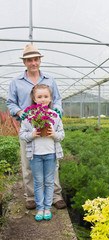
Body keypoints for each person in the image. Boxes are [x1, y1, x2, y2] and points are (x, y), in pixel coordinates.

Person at [7, 44, 67, 210]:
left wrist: (57, 111)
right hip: (29, 128)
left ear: (40, 60)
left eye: (36, 59)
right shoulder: (16, 82)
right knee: (28, 162)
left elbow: (58, 99)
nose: (33, 62)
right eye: (29, 60)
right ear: (24, 62)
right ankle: (31, 197)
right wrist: (20, 113)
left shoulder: (49, 79)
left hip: (48, 126)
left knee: (51, 161)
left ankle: (55, 196)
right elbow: (10, 102)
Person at [19, 84, 65, 221]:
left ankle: (47, 208)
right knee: (38, 182)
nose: (43, 99)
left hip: (51, 154)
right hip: (35, 155)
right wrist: (32, 134)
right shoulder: (29, 116)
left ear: (50, 98)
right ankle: (40, 208)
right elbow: (22, 134)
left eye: (46, 96)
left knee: (49, 182)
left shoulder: (55, 115)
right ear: (34, 99)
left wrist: (54, 134)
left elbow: (62, 134)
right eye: (39, 97)